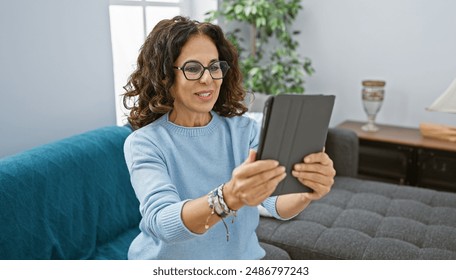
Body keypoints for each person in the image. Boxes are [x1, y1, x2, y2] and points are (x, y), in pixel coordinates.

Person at [122, 16, 336, 260]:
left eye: (214, 66)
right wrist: (229, 197)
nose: (208, 79)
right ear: (164, 77)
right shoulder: (144, 143)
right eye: (192, 68)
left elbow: (275, 202)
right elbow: (161, 222)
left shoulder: (244, 131)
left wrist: (306, 190)